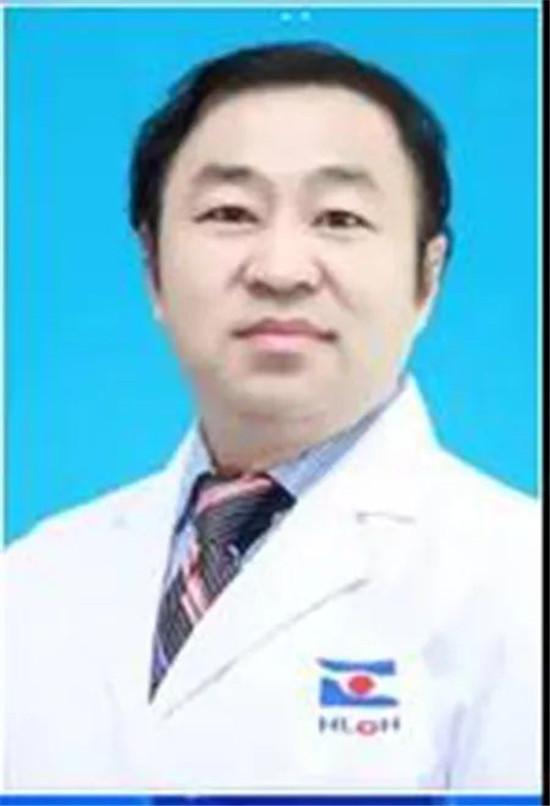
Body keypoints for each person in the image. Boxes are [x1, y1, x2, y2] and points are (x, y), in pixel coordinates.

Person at [2, 42, 541, 794]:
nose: (281, 270)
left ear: (427, 278)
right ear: (153, 267)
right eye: (230, 213)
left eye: (340, 217)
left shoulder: (519, 579)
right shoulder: (31, 579)